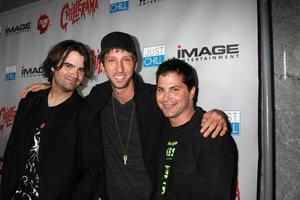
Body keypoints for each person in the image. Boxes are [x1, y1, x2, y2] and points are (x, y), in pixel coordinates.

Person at [20, 32, 229, 200]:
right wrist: (50, 87)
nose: (119, 68)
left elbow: (180, 109)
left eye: (126, 60)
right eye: (111, 60)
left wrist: (214, 114)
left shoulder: (153, 97)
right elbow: (70, 100)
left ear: (135, 63)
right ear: (102, 65)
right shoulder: (97, 97)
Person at [1, 40, 97, 200]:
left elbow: (91, 174)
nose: (75, 75)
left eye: (80, 69)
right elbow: (12, 151)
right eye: (68, 66)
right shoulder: (29, 101)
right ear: (53, 66)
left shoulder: (85, 114)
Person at [153, 58, 237, 200]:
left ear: (192, 92)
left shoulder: (212, 134)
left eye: (175, 89)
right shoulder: (161, 128)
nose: (166, 98)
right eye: (161, 90)